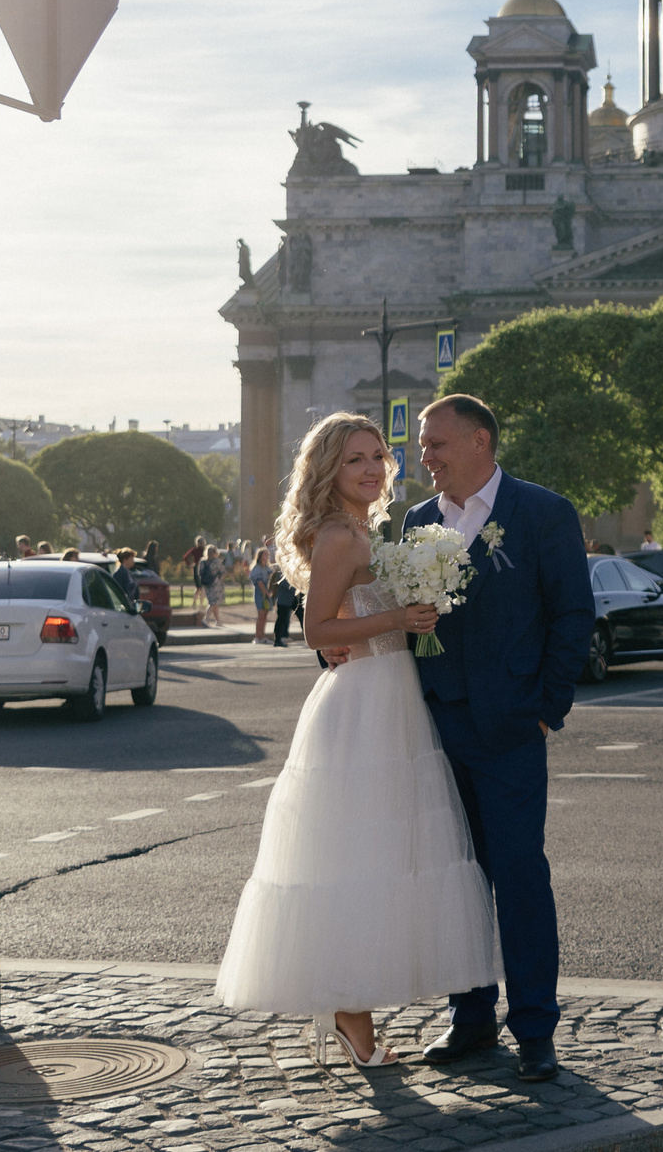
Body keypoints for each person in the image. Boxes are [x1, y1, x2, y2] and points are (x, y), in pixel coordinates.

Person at [215, 412, 500, 1070]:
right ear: (328, 472)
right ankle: (350, 1015)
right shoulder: (340, 536)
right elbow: (316, 629)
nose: (371, 468)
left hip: (391, 695)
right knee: (358, 859)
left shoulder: (364, 530)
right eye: (354, 460)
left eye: (377, 455)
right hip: (365, 703)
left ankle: (354, 1016)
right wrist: (401, 614)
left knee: (376, 857)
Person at [389, 394, 594, 1082]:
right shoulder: (418, 521)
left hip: (511, 728)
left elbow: (572, 616)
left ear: (481, 440)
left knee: (518, 871)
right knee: (458, 876)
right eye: (422, 444)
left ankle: (535, 1026)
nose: (426, 455)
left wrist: (546, 709)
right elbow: (420, 622)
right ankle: (470, 1015)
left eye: (438, 443)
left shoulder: (543, 512)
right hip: (440, 724)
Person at [200, 544, 227, 628]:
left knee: (214, 602)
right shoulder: (217, 561)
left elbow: (200, 573)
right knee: (213, 602)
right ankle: (206, 619)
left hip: (206, 584)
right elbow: (223, 571)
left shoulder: (202, 562)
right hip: (215, 584)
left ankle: (218, 621)